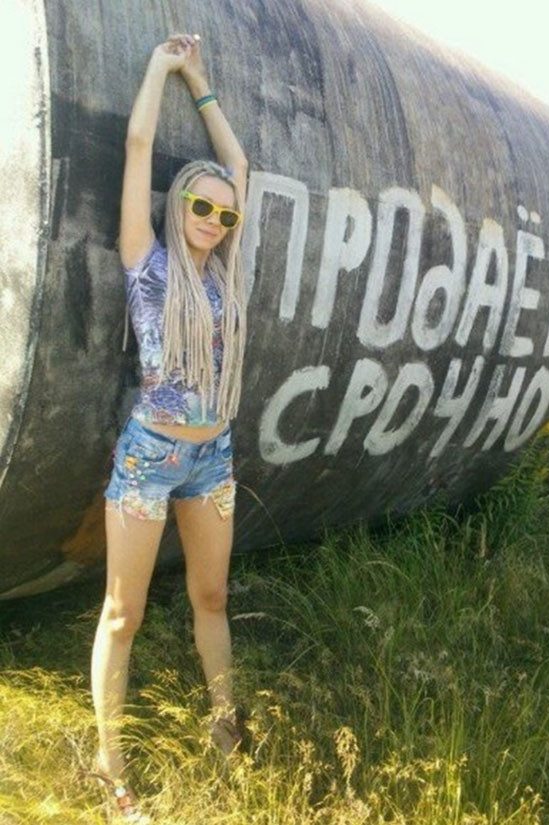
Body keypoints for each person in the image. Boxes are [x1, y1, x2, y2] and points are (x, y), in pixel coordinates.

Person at [85, 33, 249, 823]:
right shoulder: (145, 260)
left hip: (212, 454)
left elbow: (239, 165)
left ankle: (226, 729)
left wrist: (205, 86)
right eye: (201, 206)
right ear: (179, 203)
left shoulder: (226, 271)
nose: (214, 219)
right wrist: (163, 67)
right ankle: (110, 766)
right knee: (125, 613)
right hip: (150, 458)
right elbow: (139, 145)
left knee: (211, 595)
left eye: (224, 212)